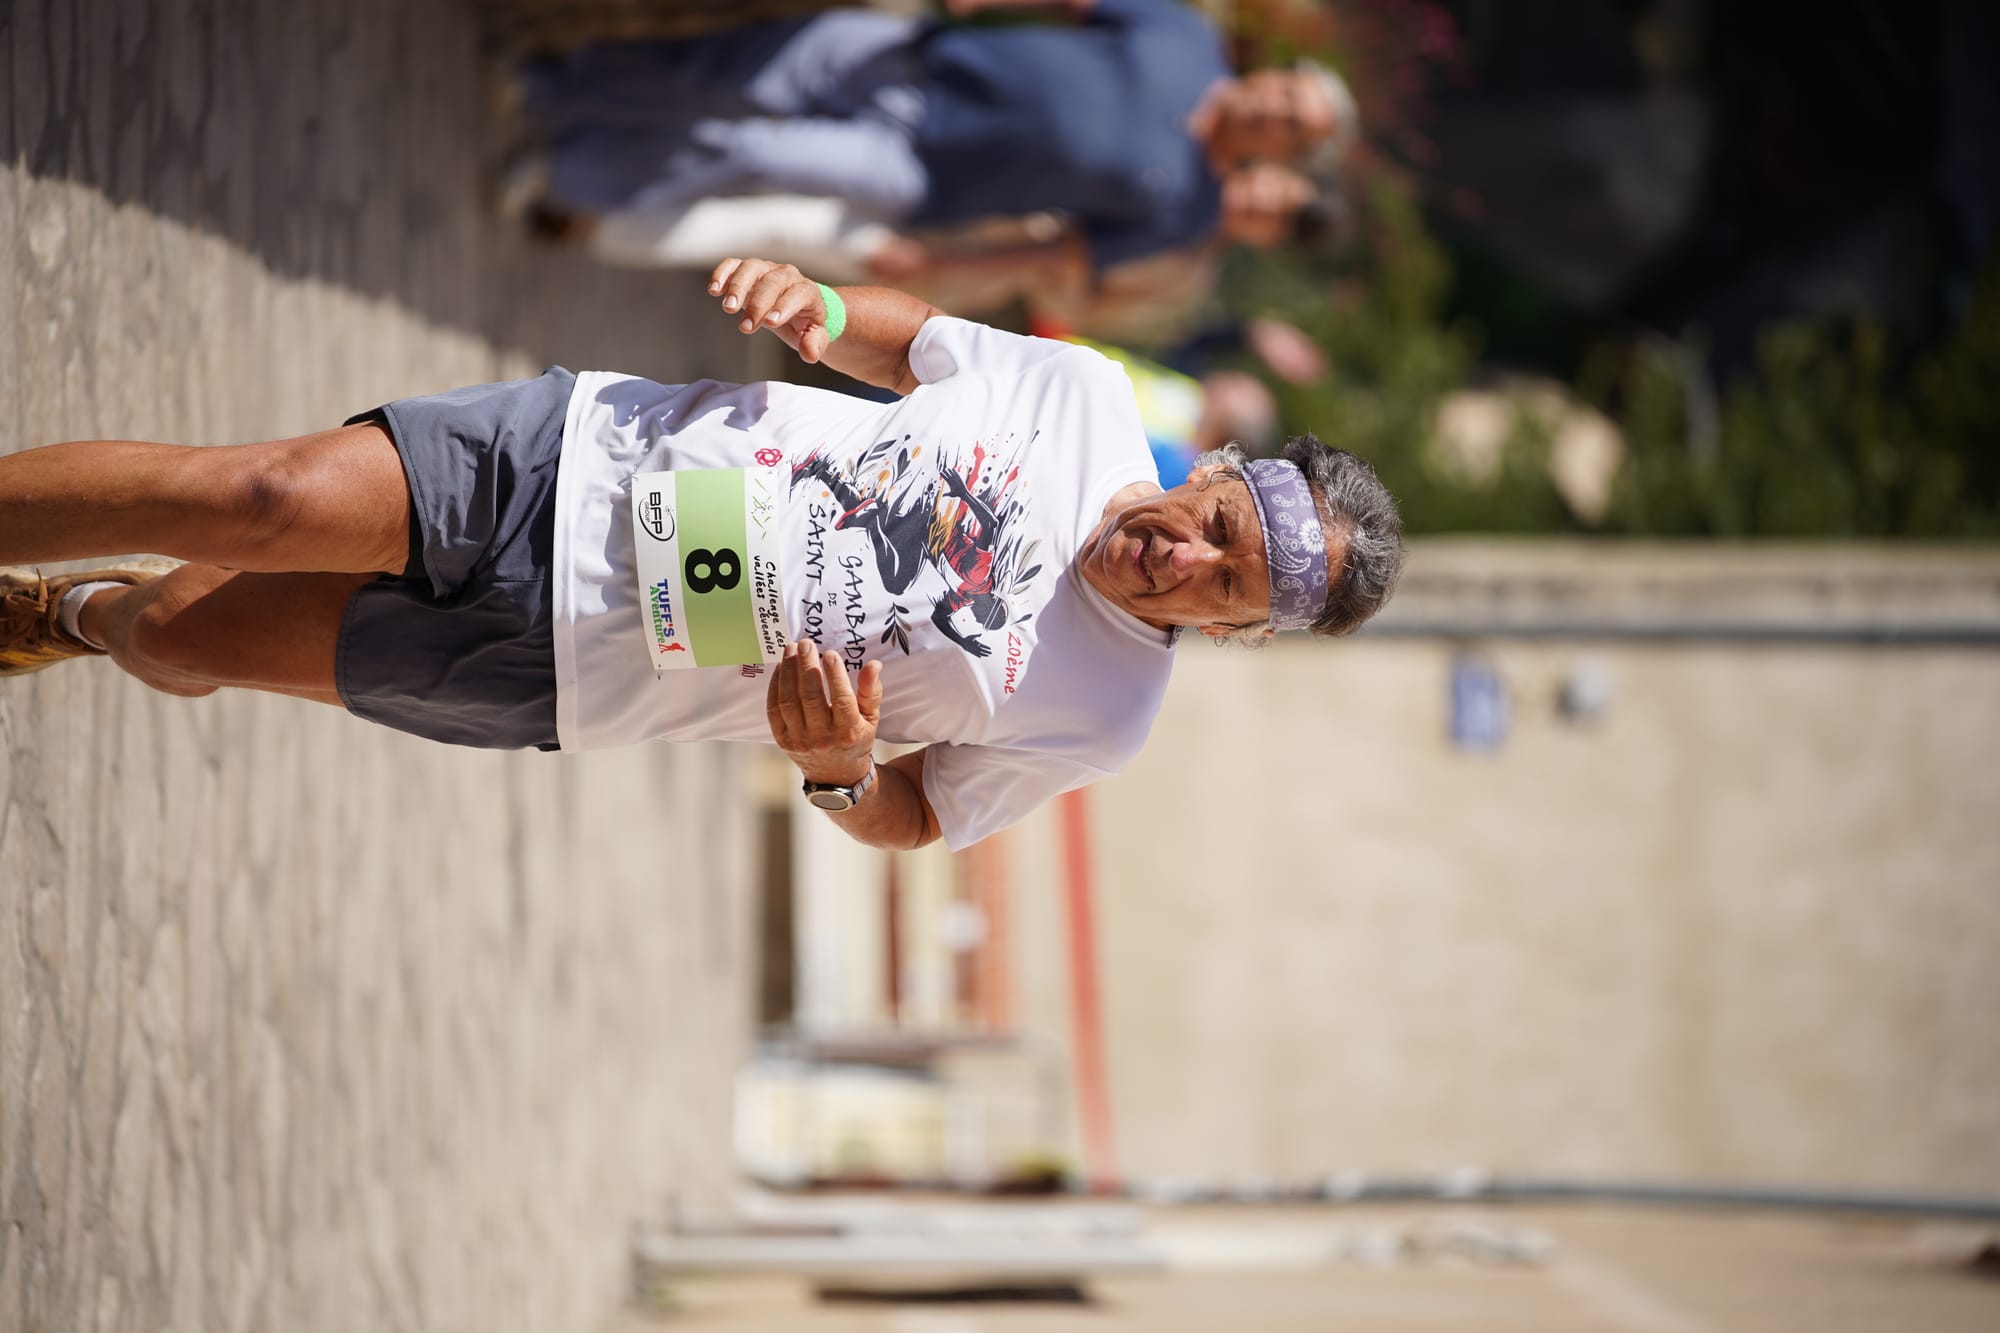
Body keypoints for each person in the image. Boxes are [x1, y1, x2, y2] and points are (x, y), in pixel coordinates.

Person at [0, 260, 1403, 851]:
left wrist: (837, 772)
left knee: (182, 632)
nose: (1188, 561)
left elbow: (916, 817)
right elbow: (916, 344)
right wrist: (820, 303)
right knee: (255, 497)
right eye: (1220, 528)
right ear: (1219, 474)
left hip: (574, 670)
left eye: (1231, 589)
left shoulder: (1105, 718)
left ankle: (76, 624)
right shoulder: (1085, 394)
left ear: (1235, 633)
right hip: (591, 457)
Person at [512, 1, 1358, 290]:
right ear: (1277, 74)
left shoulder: (1188, 209)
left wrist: (945, 272)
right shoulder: (1184, 35)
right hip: (921, 58)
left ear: (1285, 152)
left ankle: (566, 168)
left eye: (1295, 126)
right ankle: (551, 85)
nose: (1277, 109)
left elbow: (1054, 249)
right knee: (731, 67)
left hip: (924, 172)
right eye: (1290, 92)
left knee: (757, 150)